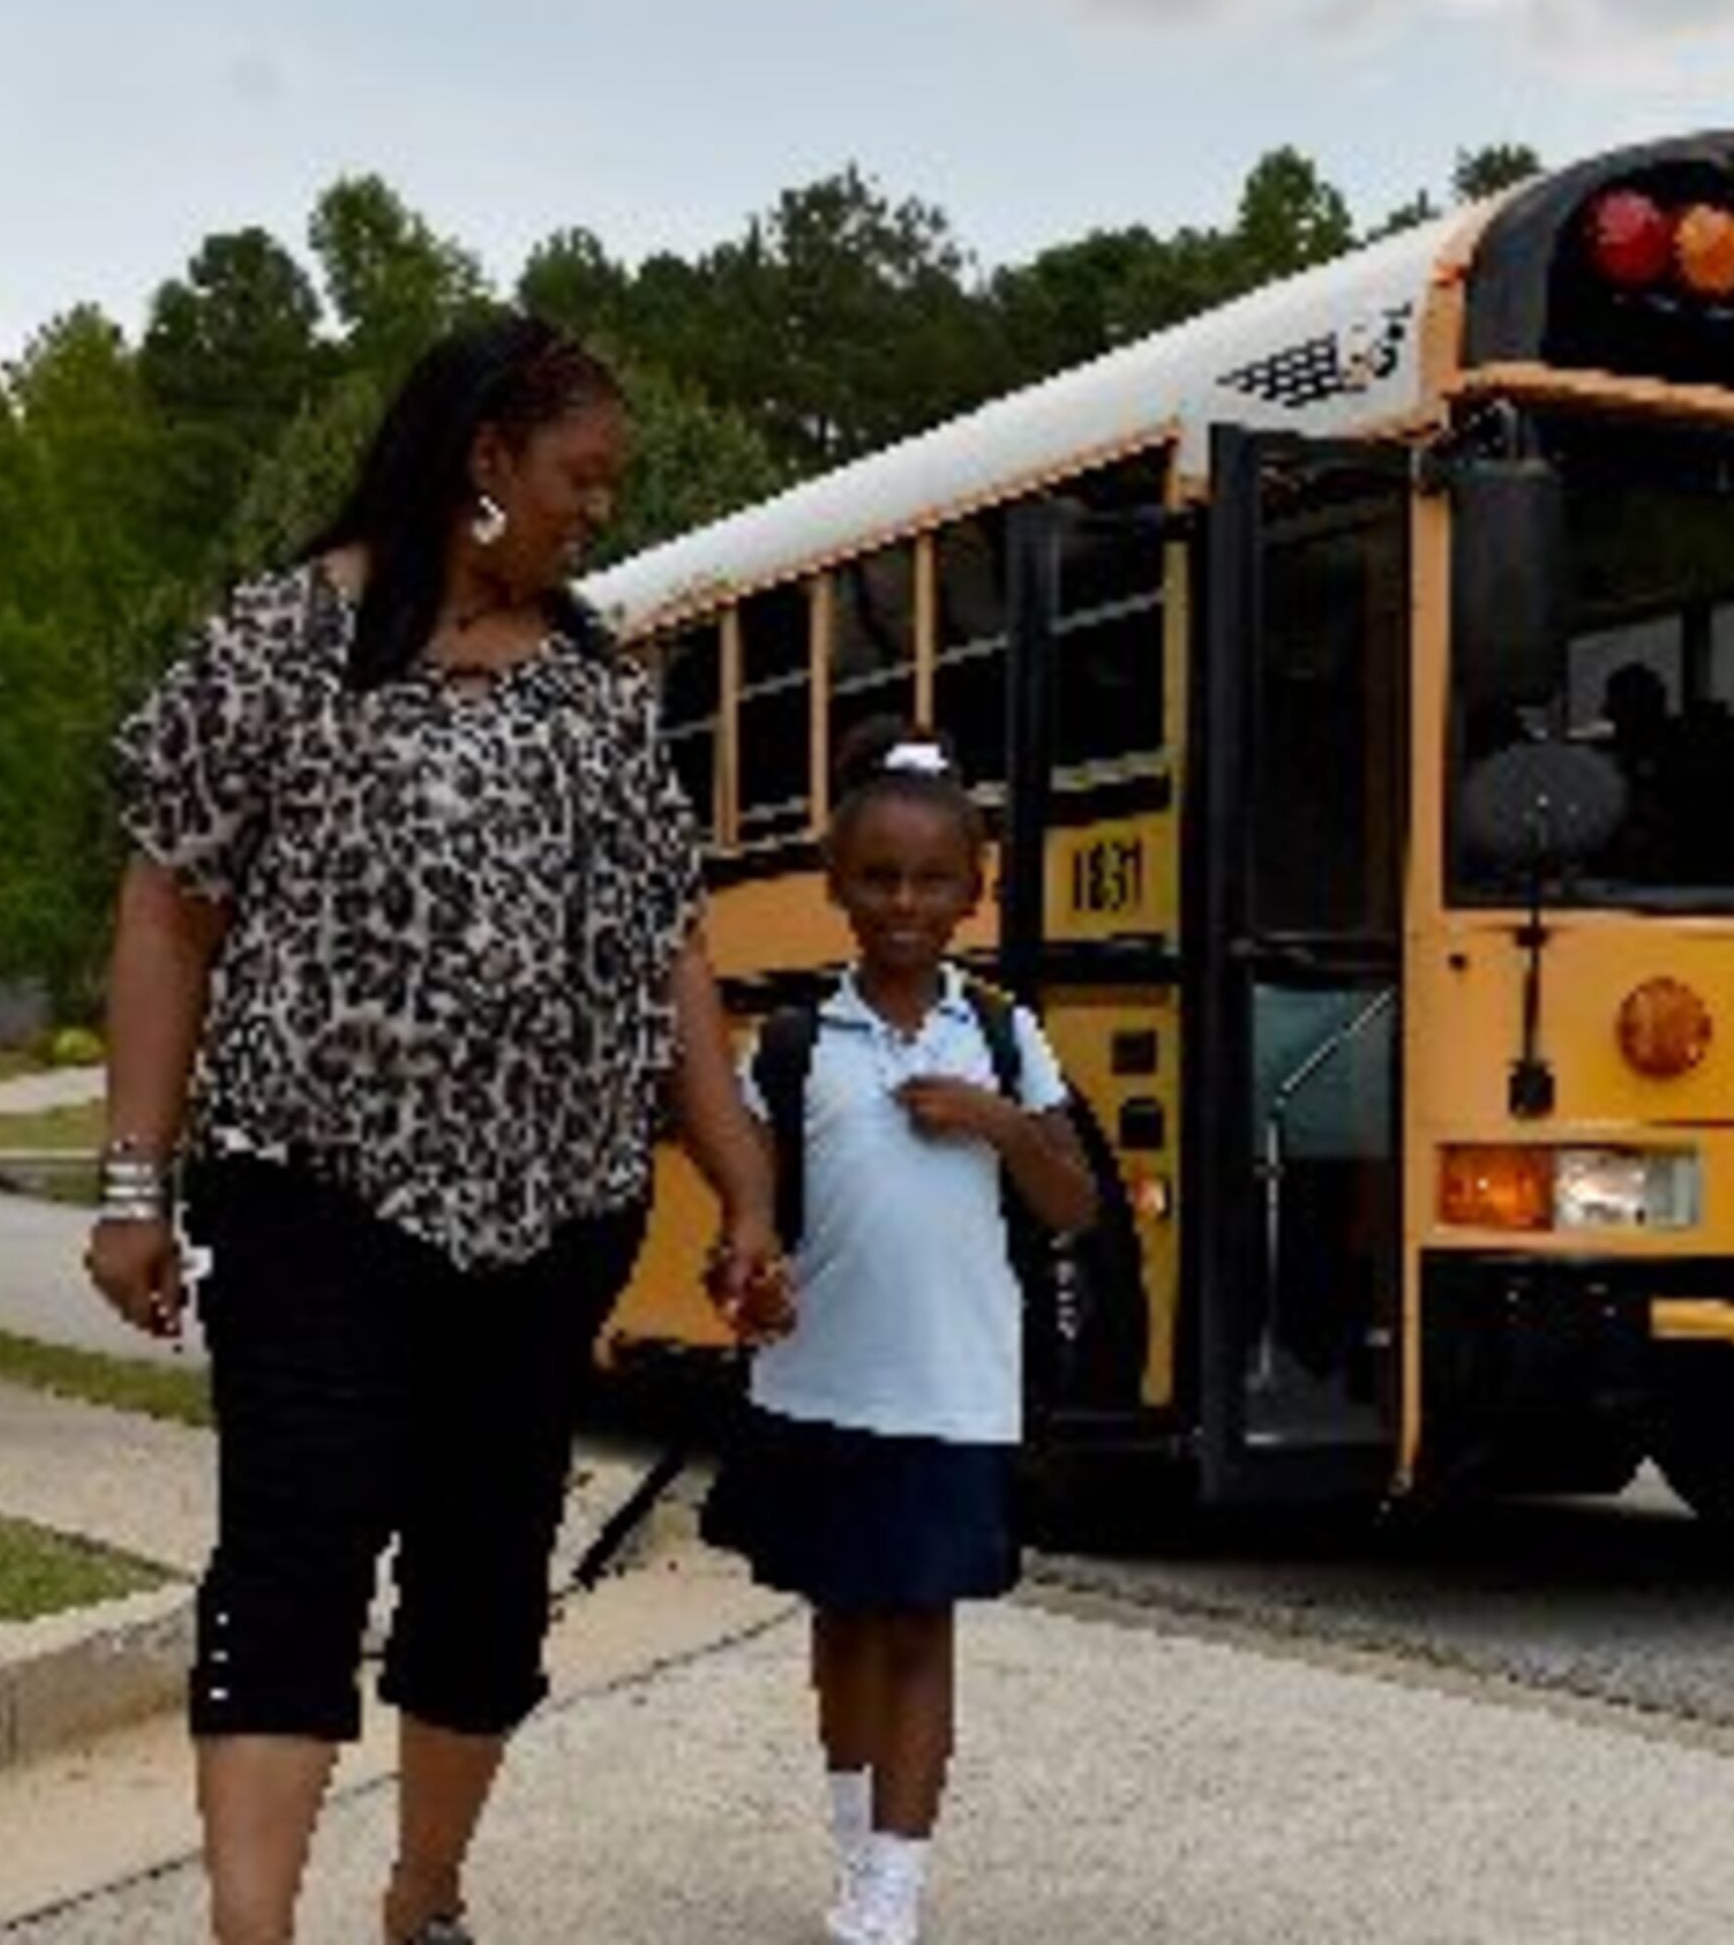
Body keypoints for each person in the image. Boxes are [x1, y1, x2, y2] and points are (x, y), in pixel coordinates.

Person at [86, 311, 784, 1945]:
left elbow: (666, 948)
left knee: (484, 1581)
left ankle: (425, 1899)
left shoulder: (598, 689)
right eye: (579, 478)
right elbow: (164, 919)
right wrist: (134, 1185)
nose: (594, 513)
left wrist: (742, 1181)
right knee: (295, 1562)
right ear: (485, 459)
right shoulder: (276, 643)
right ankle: (253, 1932)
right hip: (311, 1196)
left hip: (552, 1216)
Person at [700, 723, 1098, 1945]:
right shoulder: (795, 1043)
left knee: (921, 1627)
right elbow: (746, 1223)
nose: (905, 904)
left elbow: (1074, 1200)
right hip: (818, 1388)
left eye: (933, 881)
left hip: (954, 1390)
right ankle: (851, 1834)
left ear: (975, 893)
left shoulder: (1001, 1032)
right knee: (844, 1623)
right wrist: (746, 1282)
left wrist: (999, 1123)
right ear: (837, 885)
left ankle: (893, 1891)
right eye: (878, 878)